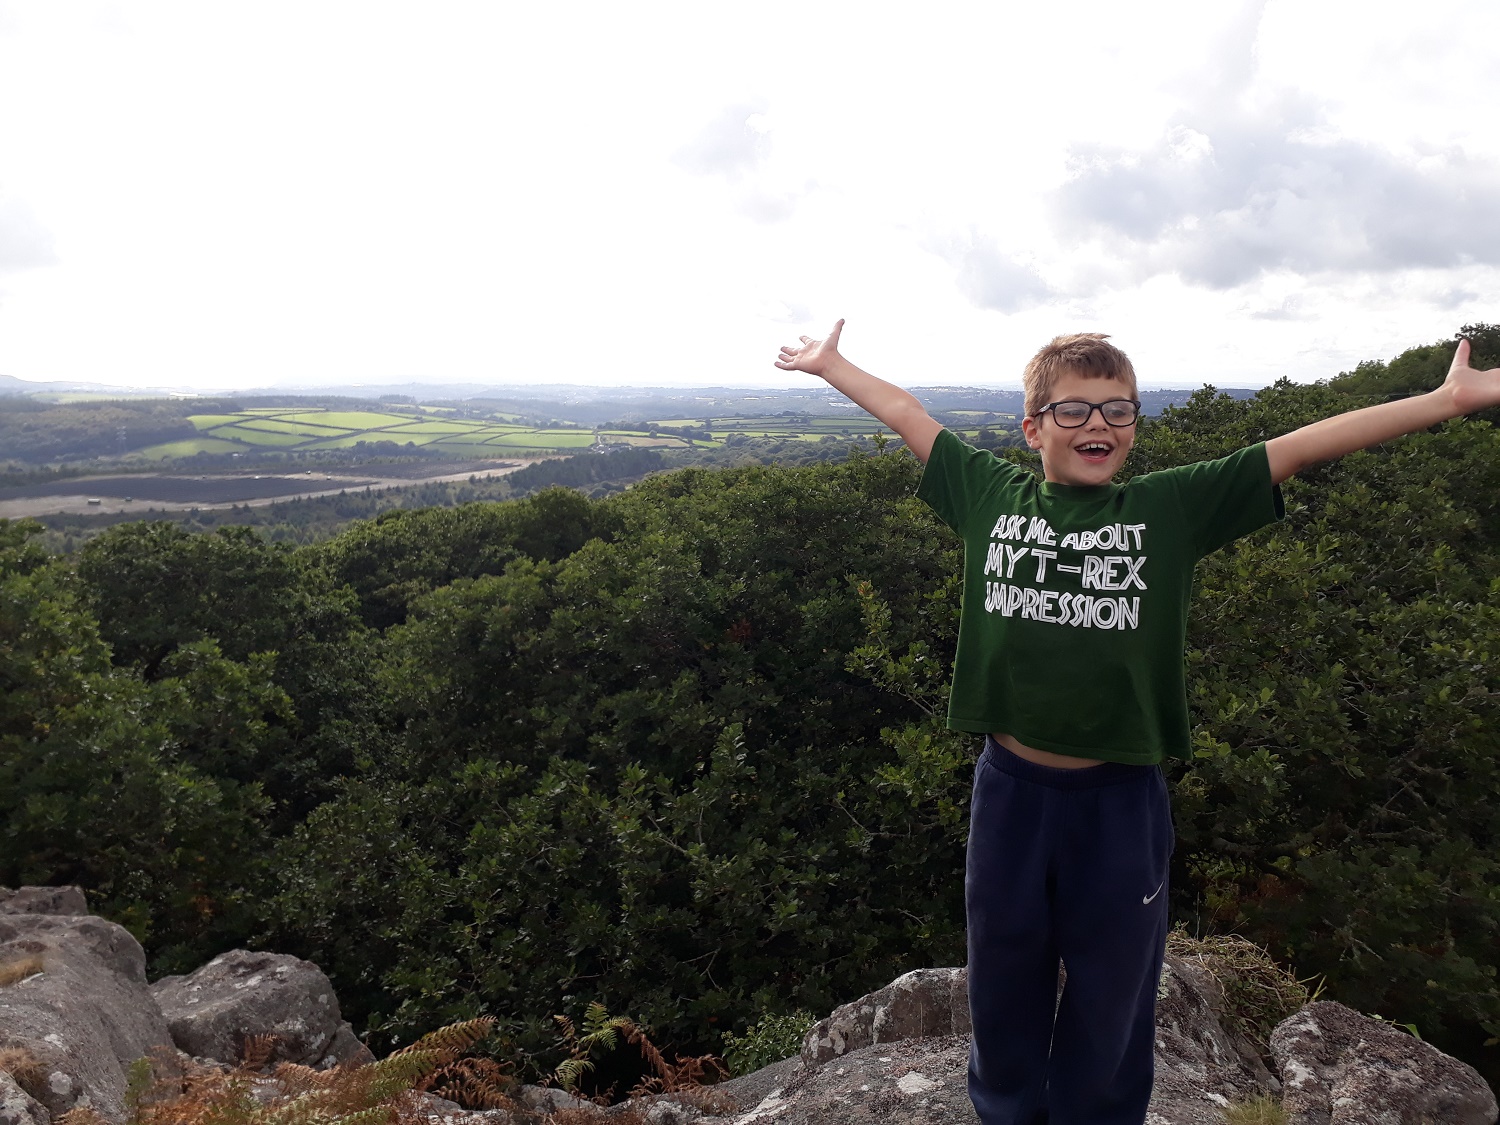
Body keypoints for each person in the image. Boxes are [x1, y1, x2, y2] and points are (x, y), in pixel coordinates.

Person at [774, 320, 1500, 1125]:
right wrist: (833, 365)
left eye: (1118, 410)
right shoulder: (989, 493)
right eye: (1075, 409)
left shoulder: (1168, 509)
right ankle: (1005, 1111)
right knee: (1003, 972)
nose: (1099, 424)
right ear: (1033, 427)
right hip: (1010, 793)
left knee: (1113, 985)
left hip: (1119, 802)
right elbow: (910, 414)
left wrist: (1445, 400)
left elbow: (1297, 447)